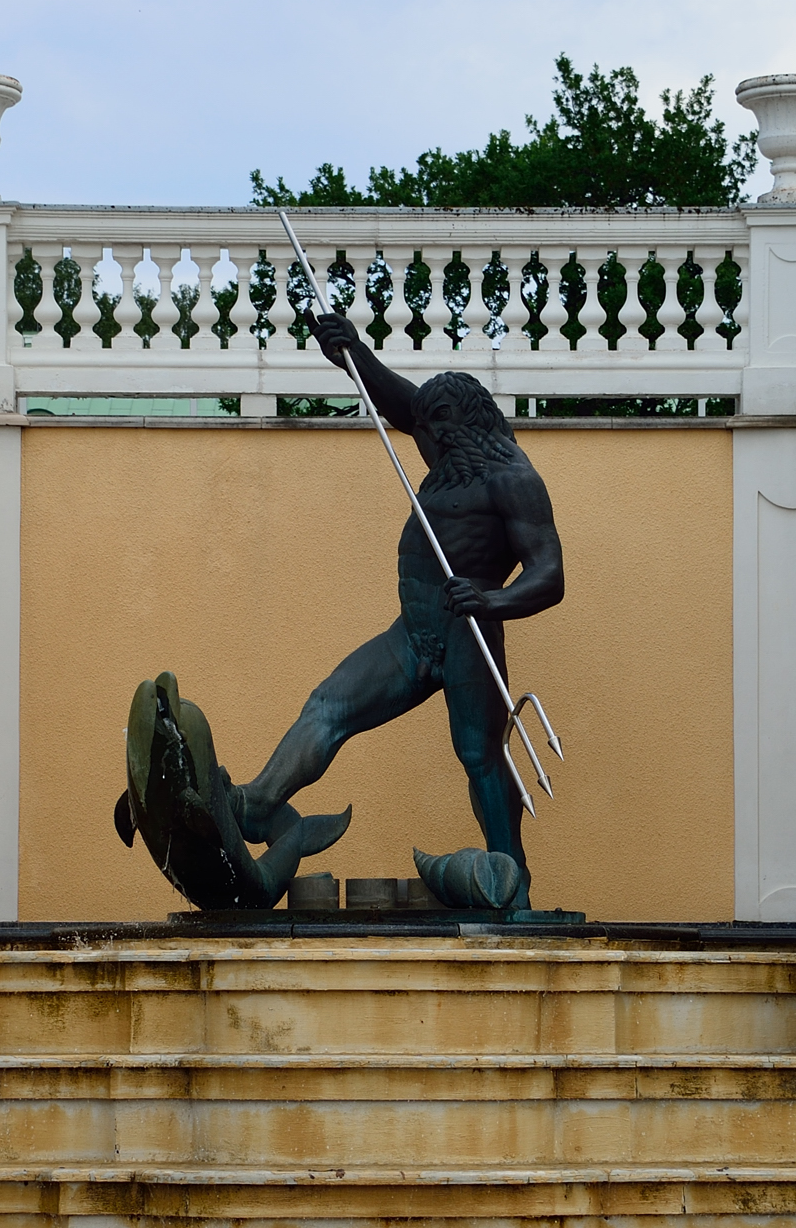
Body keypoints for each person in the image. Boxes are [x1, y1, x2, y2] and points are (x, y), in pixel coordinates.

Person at [231, 311, 565, 900]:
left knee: (480, 756)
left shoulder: (512, 478)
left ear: (471, 419)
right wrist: (353, 354)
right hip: (413, 632)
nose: (424, 434)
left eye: (438, 422)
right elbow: (400, 401)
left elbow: (550, 575)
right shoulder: (448, 459)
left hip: (469, 632)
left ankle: (512, 878)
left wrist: (491, 598)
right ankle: (258, 803)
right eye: (424, 425)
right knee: (329, 703)